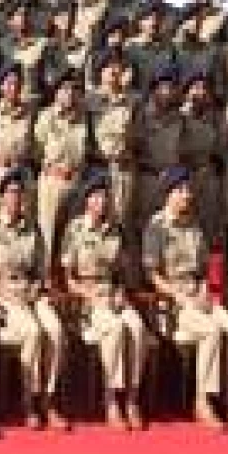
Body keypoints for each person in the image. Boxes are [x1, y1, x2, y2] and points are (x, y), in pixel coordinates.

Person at [143, 167, 228, 431]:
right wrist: (181, 297)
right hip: (172, 302)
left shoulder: (194, 225)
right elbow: (153, 275)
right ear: (168, 195)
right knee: (211, 331)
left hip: (199, 295)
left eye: (187, 190)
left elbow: (205, 267)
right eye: (180, 191)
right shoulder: (156, 226)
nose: (186, 195)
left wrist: (205, 289)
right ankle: (203, 401)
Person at [0, 167, 68, 430]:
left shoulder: (33, 228)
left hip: (31, 291)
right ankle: (28, 401)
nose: (17, 198)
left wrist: (36, 289)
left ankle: (48, 400)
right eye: (11, 193)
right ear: (1, 197)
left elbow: (42, 271)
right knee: (32, 331)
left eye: (21, 193)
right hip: (4, 295)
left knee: (54, 329)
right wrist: (6, 292)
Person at [61, 172, 147, 430]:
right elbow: (68, 280)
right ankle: (111, 399)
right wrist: (89, 295)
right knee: (115, 328)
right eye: (96, 196)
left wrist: (120, 293)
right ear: (87, 200)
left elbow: (121, 273)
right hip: (88, 300)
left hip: (113, 295)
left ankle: (131, 399)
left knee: (137, 327)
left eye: (104, 196)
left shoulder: (115, 230)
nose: (102, 201)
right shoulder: (74, 229)